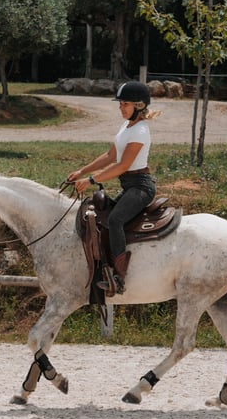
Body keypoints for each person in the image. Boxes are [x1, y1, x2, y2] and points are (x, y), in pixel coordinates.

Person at [67, 81, 161, 294]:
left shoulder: (140, 131)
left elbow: (123, 165)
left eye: (124, 104)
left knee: (115, 219)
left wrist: (91, 180)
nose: (121, 108)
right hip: (129, 186)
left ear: (138, 105)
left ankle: (119, 279)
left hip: (141, 187)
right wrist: (81, 171)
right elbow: (110, 156)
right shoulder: (126, 126)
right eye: (120, 104)